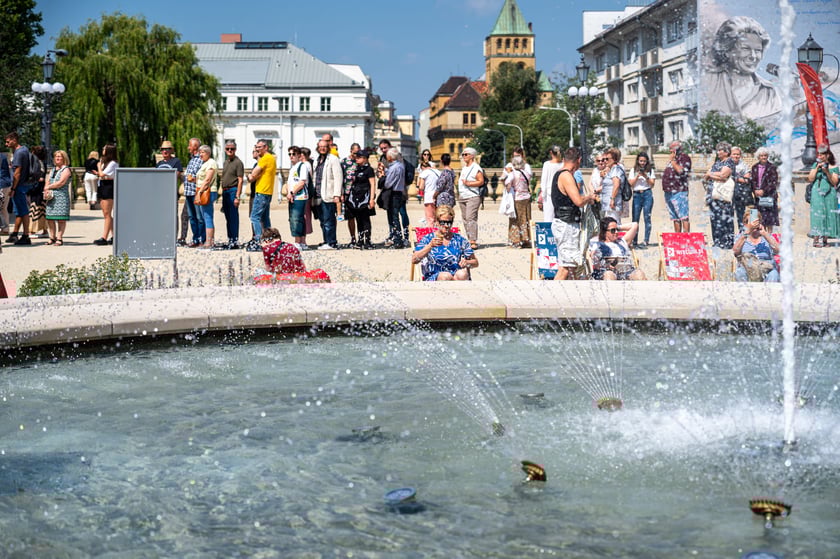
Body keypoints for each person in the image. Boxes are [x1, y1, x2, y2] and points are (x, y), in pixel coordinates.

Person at [706, 16, 781, 123]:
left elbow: (776, 130)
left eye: (758, 50)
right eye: (746, 49)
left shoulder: (768, 91)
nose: (753, 56)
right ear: (727, 51)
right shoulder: (708, 81)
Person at [551, 147, 597, 281]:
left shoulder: (559, 173)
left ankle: (571, 297)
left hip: (564, 223)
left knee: (572, 267)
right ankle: (549, 298)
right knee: (566, 267)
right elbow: (578, 201)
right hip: (567, 225)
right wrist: (590, 197)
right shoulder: (566, 176)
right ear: (579, 160)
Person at [412, 205, 478, 281]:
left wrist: (467, 262)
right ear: (437, 221)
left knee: (462, 274)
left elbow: (475, 262)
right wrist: (429, 246)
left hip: (456, 275)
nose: (446, 226)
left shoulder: (459, 240)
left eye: (449, 222)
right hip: (435, 277)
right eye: (443, 222)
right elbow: (414, 259)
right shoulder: (428, 239)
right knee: (445, 276)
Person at [704, 141, 737, 249]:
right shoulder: (717, 162)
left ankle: (727, 242)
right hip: (713, 196)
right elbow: (707, 175)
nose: (718, 152)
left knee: (724, 218)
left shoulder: (729, 162)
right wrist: (712, 175)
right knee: (714, 219)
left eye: (720, 150)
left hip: (723, 196)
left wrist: (711, 174)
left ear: (726, 152)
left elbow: (723, 176)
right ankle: (717, 241)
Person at [807, 144, 840, 247]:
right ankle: (816, 239)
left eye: (822, 155)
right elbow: (810, 178)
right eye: (819, 154)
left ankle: (825, 240)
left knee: (828, 214)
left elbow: (834, 182)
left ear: (828, 155)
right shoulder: (815, 165)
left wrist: (827, 171)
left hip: (830, 193)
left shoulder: (834, 167)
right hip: (817, 192)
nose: (820, 156)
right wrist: (817, 168)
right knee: (817, 214)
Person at [4, 132, 34, 245]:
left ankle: (26, 235)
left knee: (23, 211)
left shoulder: (19, 153)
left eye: (8, 141)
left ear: (14, 140)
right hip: (23, 184)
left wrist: (13, 188)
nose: (6, 144)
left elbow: (17, 172)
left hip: (19, 186)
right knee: (19, 211)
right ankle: (15, 234)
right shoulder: (24, 150)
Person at [734, 209, 780, 282]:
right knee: (739, 273)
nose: (754, 225)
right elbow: (735, 252)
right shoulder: (741, 237)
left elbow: (778, 251)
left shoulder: (767, 237)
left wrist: (764, 234)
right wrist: (748, 231)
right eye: (751, 222)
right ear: (745, 224)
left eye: (756, 221)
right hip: (747, 268)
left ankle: (769, 293)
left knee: (774, 274)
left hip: (766, 267)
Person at [314, 138, 343, 250]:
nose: (322, 148)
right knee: (322, 220)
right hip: (318, 194)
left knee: (329, 220)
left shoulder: (333, 159)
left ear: (328, 147)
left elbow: (338, 177)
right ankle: (326, 240)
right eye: (320, 146)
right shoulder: (318, 160)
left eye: (324, 146)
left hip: (328, 193)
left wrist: (337, 194)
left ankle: (332, 242)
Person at [345, 149, 377, 249]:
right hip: (355, 197)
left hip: (365, 197)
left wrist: (372, 199)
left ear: (365, 159)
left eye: (359, 157)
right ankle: (360, 240)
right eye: (356, 157)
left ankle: (367, 240)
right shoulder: (357, 168)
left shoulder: (369, 170)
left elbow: (372, 184)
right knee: (358, 219)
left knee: (365, 219)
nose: (357, 159)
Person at [247, 139, 276, 246]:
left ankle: (259, 241)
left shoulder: (266, 158)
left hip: (262, 192)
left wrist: (251, 176)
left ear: (266, 147)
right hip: (267, 192)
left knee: (254, 217)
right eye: (256, 147)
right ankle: (270, 240)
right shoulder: (270, 158)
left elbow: (254, 173)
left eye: (260, 147)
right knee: (265, 218)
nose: (257, 149)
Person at [155, 140, 185, 245]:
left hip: (171, 192)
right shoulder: (159, 163)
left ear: (171, 150)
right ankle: (163, 236)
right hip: (161, 193)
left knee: (173, 215)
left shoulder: (176, 161)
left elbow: (177, 174)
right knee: (162, 215)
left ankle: (173, 237)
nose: (164, 151)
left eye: (167, 149)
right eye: (163, 149)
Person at [662, 140, 692, 232]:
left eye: (673, 148)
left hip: (679, 191)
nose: (671, 150)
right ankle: (677, 238)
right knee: (675, 217)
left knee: (683, 216)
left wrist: (673, 161)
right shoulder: (673, 159)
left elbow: (680, 171)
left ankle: (686, 238)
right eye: (670, 148)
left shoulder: (684, 158)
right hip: (669, 191)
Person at [458, 147, 484, 250]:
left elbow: (481, 181)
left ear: (472, 156)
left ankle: (473, 241)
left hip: (472, 196)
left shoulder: (476, 168)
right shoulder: (464, 168)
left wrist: (469, 183)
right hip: (463, 196)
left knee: (470, 218)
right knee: (465, 219)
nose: (463, 156)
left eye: (466, 154)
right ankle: (469, 239)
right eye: (463, 154)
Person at [44, 150, 72, 245]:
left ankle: (59, 237)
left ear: (64, 158)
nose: (58, 158)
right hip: (51, 197)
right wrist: (46, 189)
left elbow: (61, 182)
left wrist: (49, 187)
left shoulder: (66, 170)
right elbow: (48, 180)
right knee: (49, 218)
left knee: (61, 219)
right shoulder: (53, 170)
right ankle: (52, 236)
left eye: (60, 156)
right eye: (56, 156)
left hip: (61, 197)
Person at [504, 155, 532, 248]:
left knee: (515, 220)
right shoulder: (526, 173)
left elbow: (507, 183)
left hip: (517, 198)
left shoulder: (513, 173)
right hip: (526, 197)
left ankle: (515, 241)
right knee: (526, 218)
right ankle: (526, 239)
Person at [219, 141, 244, 249]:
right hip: (225, 191)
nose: (230, 150)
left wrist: (237, 196)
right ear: (225, 150)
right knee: (228, 217)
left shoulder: (238, 163)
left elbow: (240, 180)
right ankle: (230, 239)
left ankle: (234, 240)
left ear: (235, 150)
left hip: (233, 190)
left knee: (233, 217)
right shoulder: (225, 162)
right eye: (228, 148)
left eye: (232, 149)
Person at [285, 146, 311, 250]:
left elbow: (302, 182)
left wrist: (292, 192)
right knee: (296, 218)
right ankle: (302, 242)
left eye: (293, 154)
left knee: (296, 218)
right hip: (293, 196)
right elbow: (289, 182)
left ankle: (298, 242)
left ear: (299, 155)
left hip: (300, 196)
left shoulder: (302, 166)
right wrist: (288, 193)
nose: (291, 156)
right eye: (289, 154)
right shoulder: (293, 167)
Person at [195, 145, 220, 249]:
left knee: (207, 216)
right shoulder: (204, 163)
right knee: (205, 216)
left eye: (203, 152)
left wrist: (199, 192)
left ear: (208, 153)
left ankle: (209, 242)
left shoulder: (211, 163)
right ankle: (208, 241)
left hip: (207, 191)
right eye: (200, 152)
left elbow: (207, 180)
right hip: (203, 191)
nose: (200, 154)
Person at [750, 146, 779, 234]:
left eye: (765, 155)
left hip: (769, 195)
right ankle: (761, 234)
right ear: (758, 156)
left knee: (769, 218)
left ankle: (769, 235)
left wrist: (763, 191)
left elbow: (773, 182)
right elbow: (753, 181)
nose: (763, 157)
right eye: (762, 155)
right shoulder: (754, 167)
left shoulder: (772, 167)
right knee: (759, 216)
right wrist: (755, 190)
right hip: (758, 196)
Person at [93, 143, 118, 246]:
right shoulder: (105, 162)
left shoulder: (112, 163)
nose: (102, 149)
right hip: (102, 185)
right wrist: (100, 173)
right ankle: (114, 236)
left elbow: (102, 174)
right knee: (105, 213)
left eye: (104, 148)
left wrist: (99, 167)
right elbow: (102, 175)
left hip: (108, 187)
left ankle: (104, 237)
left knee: (107, 214)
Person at [383, 146, 408, 248]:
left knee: (393, 216)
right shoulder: (400, 165)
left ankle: (397, 239)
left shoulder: (394, 167)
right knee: (395, 216)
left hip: (393, 193)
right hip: (399, 192)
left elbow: (388, 183)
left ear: (390, 156)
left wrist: (383, 178)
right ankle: (397, 237)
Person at [629, 152, 655, 248]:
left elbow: (652, 184)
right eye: (641, 161)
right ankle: (634, 240)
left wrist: (645, 176)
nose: (642, 163)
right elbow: (631, 184)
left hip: (647, 194)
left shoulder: (650, 170)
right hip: (637, 195)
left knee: (647, 217)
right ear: (638, 161)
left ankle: (646, 240)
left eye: (644, 161)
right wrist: (637, 175)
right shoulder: (633, 170)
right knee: (635, 218)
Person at [182, 138, 205, 247]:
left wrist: (194, 179)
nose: (188, 147)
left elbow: (203, 177)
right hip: (188, 193)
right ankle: (195, 239)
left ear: (195, 147)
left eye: (190, 145)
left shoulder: (200, 160)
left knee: (200, 217)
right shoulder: (191, 160)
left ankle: (202, 239)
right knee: (192, 217)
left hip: (196, 193)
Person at [340, 143, 360, 247]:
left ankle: (362, 238)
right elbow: (340, 178)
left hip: (360, 193)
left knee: (360, 217)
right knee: (350, 217)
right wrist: (341, 193)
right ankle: (353, 238)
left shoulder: (361, 161)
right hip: (348, 192)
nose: (357, 155)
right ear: (351, 151)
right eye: (356, 153)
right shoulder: (344, 162)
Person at [538, 145, 565, 222]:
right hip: (561, 193)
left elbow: (544, 181)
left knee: (548, 217)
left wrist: (542, 196)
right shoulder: (563, 164)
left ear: (551, 153)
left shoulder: (547, 164)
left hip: (549, 194)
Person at [730, 146, 753, 234]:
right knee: (729, 214)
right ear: (730, 154)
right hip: (728, 193)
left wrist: (735, 178)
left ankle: (742, 233)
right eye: (734, 154)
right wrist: (739, 178)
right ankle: (730, 234)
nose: (736, 156)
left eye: (738, 154)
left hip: (740, 193)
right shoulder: (727, 164)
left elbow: (747, 177)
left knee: (741, 214)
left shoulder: (743, 164)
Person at [29, 145, 48, 239]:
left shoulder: (35, 162)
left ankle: (32, 230)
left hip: (37, 188)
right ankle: (44, 229)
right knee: (42, 208)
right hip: (41, 187)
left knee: (34, 207)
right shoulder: (43, 163)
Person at [600, 148, 624, 223]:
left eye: (607, 159)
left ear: (614, 159)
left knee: (614, 224)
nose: (605, 161)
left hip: (613, 204)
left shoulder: (616, 170)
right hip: (608, 204)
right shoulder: (611, 170)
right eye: (604, 159)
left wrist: (612, 199)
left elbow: (616, 185)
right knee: (610, 224)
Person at [418, 160, 440, 225]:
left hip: (429, 197)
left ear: (423, 168)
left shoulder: (425, 172)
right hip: (438, 197)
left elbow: (421, 187)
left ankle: (432, 234)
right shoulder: (438, 172)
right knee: (437, 219)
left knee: (430, 219)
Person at [0, 149, 12, 235]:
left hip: (1, 184)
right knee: (4, 208)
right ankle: (5, 228)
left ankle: (4, 227)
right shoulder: (3, 156)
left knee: (2, 208)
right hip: (6, 184)